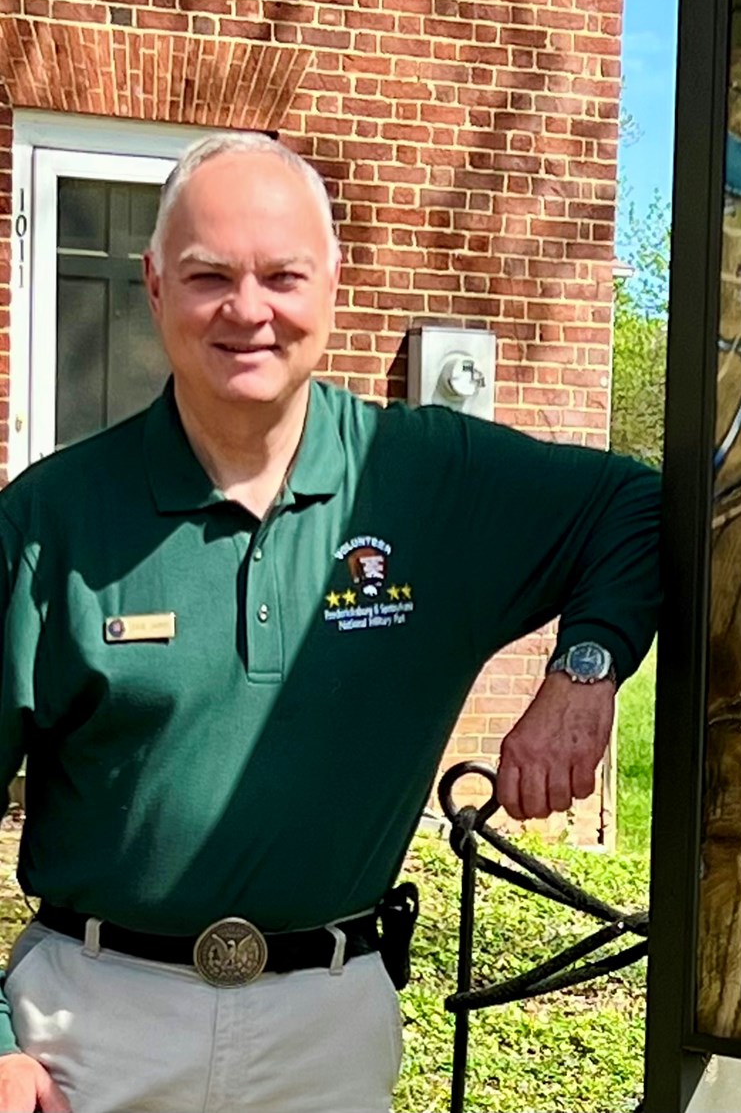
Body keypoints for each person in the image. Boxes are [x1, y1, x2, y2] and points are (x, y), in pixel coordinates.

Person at [0, 133, 661, 1113]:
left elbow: (634, 505)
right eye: (208, 275)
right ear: (151, 285)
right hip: (92, 1029)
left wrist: (585, 666)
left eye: (282, 274)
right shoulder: (53, 518)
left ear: (333, 285)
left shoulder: (423, 478)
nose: (248, 308)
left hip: (329, 1027)